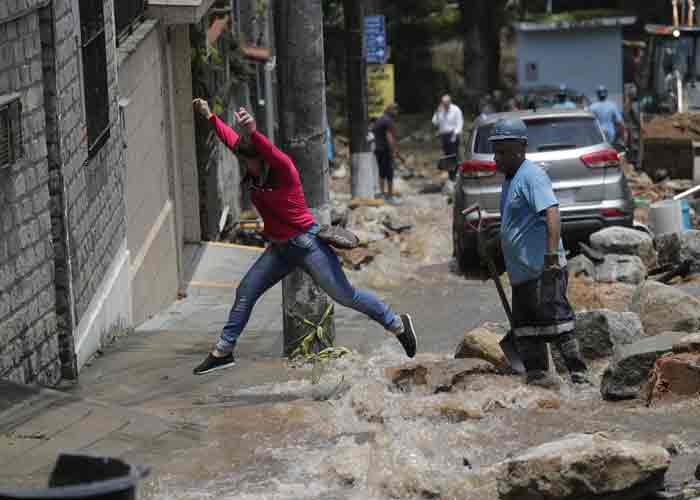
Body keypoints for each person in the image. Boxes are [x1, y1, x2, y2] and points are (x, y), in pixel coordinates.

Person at [191, 99, 418, 375]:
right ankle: (223, 351)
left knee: (346, 296)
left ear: (262, 161)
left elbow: (269, 150)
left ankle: (397, 324)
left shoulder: (284, 169)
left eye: (249, 161)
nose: (245, 166)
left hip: (307, 244)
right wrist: (209, 116)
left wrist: (253, 130)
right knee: (246, 291)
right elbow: (231, 141)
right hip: (280, 249)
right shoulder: (253, 172)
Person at [488, 117, 589, 389]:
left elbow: (552, 213)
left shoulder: (532, 176)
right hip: (522, 274)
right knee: (527, 331)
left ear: (520, 148)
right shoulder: (511, 179)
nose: (497, 158)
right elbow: (517, 224)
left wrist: (551, 257)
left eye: (503, 151)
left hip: (542, 270)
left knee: (558, 325)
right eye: (495, 151)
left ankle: (579, 380)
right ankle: (539, 384)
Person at [372, 103, 401, 203]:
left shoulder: (379, 120)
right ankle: (390, 196)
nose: (397, 113)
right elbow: (389, 137)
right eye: (395, 110)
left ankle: (382, 194)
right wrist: (394, 150)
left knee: (381, 172)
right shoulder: (388, 121)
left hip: (378, 150)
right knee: (389, 173)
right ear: (391, 110)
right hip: (386, 150)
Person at [431, 94, 464, 170]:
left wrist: (455, 134)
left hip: (453, 134)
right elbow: (434, 122)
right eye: (443, 103)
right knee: (447, 154)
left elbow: (460, 122)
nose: (445, 105)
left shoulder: (456, 109)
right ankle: (450, 172)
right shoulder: (440, 110)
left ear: (449, 102)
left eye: (446, 103)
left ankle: (456, 170)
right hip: (443, 135)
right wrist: (437, 113)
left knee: (454, 154)